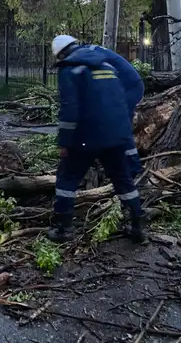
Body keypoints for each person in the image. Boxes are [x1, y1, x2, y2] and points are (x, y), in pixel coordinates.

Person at [48, 35, 147, 244]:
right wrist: (125, 140)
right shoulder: (107, 67)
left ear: (62, 54)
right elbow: (121, 104)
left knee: (67, 178)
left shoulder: (71, 68)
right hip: (115, 136)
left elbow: (69, 108)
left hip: (86, 136)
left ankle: (63, 228)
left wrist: (64, 142)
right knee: (123, 180)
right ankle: (138, 226)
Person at [52, 35, 144, 177]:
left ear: (63, 53)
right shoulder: (87, 52)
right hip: (126, 83)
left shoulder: (82, 58)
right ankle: (117, 162)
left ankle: (133, 169)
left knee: (119, 125)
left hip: (128, 86)